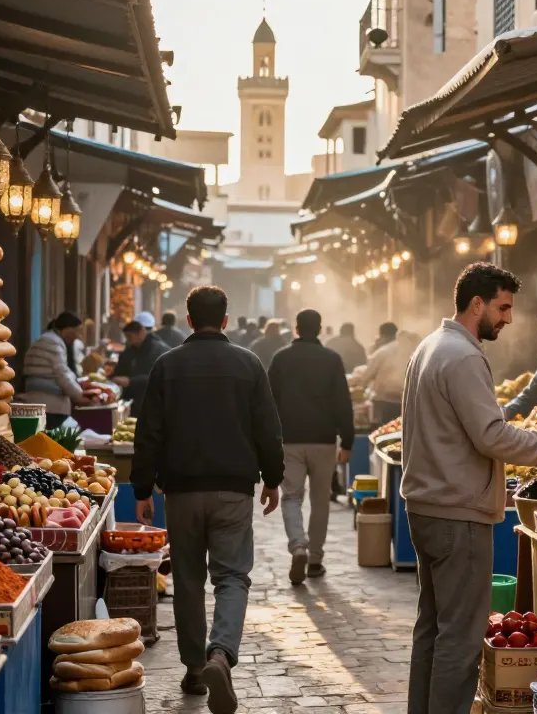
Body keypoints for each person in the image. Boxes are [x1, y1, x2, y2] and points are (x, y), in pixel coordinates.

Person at [402, 262, 537, 714]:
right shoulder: (462, 355)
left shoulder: (429, 346)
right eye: (502, 307)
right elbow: (492, 435)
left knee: (432, 628)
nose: (507, 318)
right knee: (461, 639)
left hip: (426, 507)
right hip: (456, 512)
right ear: (476, 303)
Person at [132, 286, 283, 714]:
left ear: (188, 317)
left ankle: (196, 669)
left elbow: (150, 432)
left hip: (180, 490)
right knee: (232, 576)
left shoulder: (167, 365)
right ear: (226, 319)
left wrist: (142, 489)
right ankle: (222, 654)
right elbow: (268, 429)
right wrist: (273, 478)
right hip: (233, 489)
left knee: (188, 580)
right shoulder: (248, 364)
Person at [267, 309, 355, 585]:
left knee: (291, 497)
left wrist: (268, 441)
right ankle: (315, 560)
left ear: (296, 328)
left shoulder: (281, 358)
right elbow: (343, 402)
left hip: (289, 439)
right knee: (320, 501)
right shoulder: (331, 359)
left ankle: (298, 545)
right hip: (324, 439)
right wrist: (348, 440)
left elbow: (268, 403)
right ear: (319, 329)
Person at [21, 312, 94, 429]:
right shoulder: (52, 342)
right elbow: (62, 374)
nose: (78, 335)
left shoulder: (48, 339)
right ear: (67, 329)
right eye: (76, 331)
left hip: (41, 401)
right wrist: (79, 396)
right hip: (48, 403)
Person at [112, 321, 171, 414]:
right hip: (131, 401)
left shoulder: (158, 350)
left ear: (142, 332)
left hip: (152, 401)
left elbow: (157, 377)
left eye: (130, 337)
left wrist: (130, 381)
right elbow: (120, 369)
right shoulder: (130, 350)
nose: (128, 340)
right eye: (127, 337)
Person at [362, 329, 418, 426]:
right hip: (406, 402)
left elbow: (367, 376)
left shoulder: (383, 352)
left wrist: (362, 389)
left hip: (384, 402)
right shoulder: (418, 352)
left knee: (383, 433)